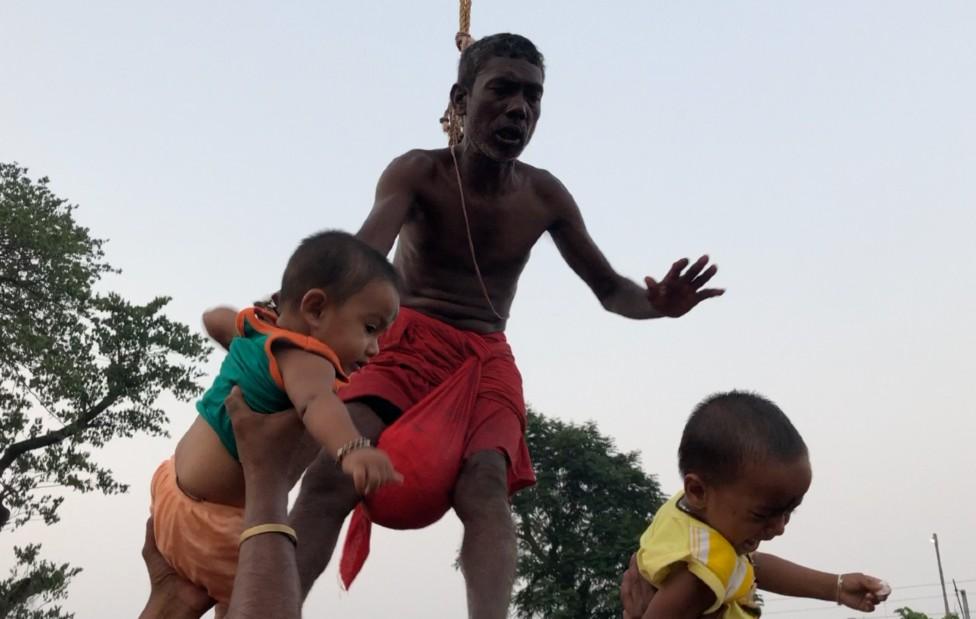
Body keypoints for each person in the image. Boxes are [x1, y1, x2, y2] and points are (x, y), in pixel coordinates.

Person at [267, 33, 726, 619]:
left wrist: (657, 305)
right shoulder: (418, 174)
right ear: (460, 99)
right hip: (407, 339)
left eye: (533, 97)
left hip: (485, 357)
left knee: (485, 487)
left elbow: (611, 291)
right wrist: (294, 311)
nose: (519, 109)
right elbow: (363, 261)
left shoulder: (545, 195)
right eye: (503, 90)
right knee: (334, 469)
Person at [146, 230, 402, 614]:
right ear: (314, 310)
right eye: (370, 328)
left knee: (175, 602)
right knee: (260, 585)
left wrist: (249, 339)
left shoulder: (257, 328)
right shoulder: (309, 360)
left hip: (170, 493)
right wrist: (352, 448)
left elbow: (213, 319)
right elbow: (319, 404)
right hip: (217, 530)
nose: (374, 348)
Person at [626, 391, 890, 618]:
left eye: (789, 511)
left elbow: (752, 567)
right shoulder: (700, 577)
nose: (779, 528)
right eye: (763, 514)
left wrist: (837, 586)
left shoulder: (689, 517)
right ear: (697, 490)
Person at [140, 387, 308, 619]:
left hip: (173, 505)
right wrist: (266, 486)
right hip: (193, 511)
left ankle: (175, 599)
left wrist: (170, 603)